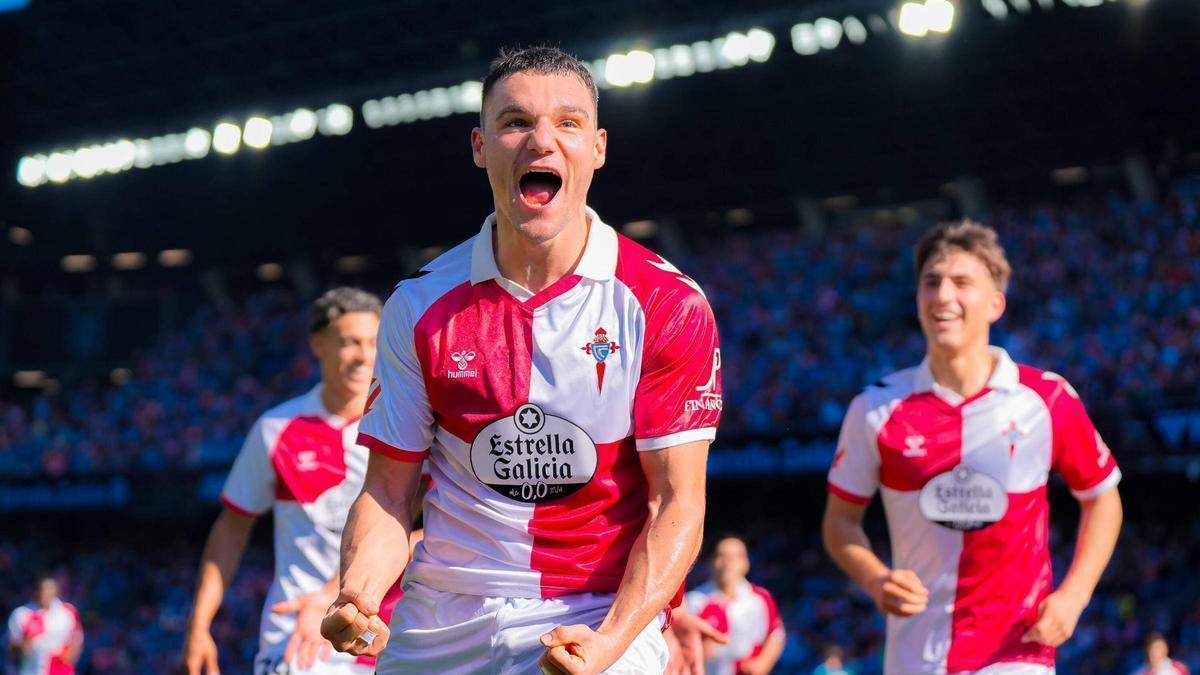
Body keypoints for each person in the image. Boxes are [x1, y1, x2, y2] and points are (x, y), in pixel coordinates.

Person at [320, 45, 723, 675]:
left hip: (592, 612)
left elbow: (677, 506)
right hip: (442, 614)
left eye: (568, 123)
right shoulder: (418, 305)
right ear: (480, 147)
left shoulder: (667, 304)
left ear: (599, 147)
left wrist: (611, 642)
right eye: (515, 122)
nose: (542, 141)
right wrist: (360, 591)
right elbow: (389, 495)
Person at [822, 220, 1124, 674]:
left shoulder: (1046, 399)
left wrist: (1074, 596)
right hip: (914, 657)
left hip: (1017, 652)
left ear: (995, 303)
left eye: (962, 282)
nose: (943, 296)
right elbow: (840, 524)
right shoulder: (875, 409)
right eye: (931, 282)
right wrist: (875, 577)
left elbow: (1102, 498)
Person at [182, 287, 389, 675]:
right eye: (348, 342)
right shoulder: (277, 429)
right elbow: (230, 530)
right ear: (317, 345)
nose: (363, 356)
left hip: (386, 634)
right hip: (295, 635)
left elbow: (422, 529)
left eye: (371, 342)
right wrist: (198, 626)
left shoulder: (405, 424)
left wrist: (332, 596)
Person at [685, 536, 785, 674]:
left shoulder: (760, 598)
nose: (728, 562)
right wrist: (698, 649)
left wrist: (763, 662)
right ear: (711, 561)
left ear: (746, 562)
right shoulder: (695, 600)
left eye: (736, 556)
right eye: (721, 555)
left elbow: (776, 634)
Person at [6, 575, 83, 675]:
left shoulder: (67, 612)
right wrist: (23, 646)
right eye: (42, 589)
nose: (45, 594)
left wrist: (70, 655)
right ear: (36, 591)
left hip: (60, 670)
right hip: (32, 669)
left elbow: (76, 639)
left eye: (50, 589)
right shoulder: (22, 614)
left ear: (56, 591)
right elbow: (12, 647)